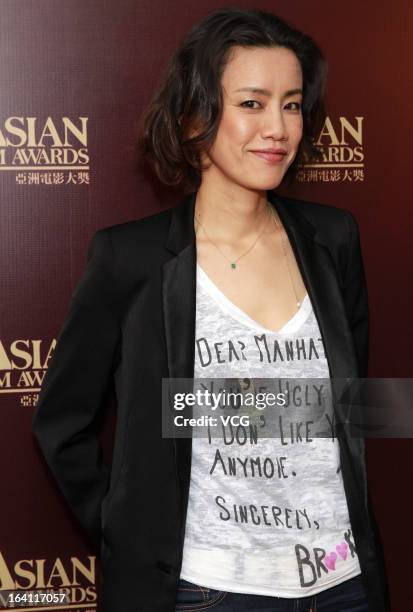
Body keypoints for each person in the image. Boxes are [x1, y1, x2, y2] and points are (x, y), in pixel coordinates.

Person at [32, 7, 390, 612]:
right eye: (252, 103)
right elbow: (63, 421)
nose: (277, 127)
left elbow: (345, 406)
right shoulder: (132, 257)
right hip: (208, 592)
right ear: (195, 114)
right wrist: (131, 532)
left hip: (343, 581)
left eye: (293, 103)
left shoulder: (334, 240)